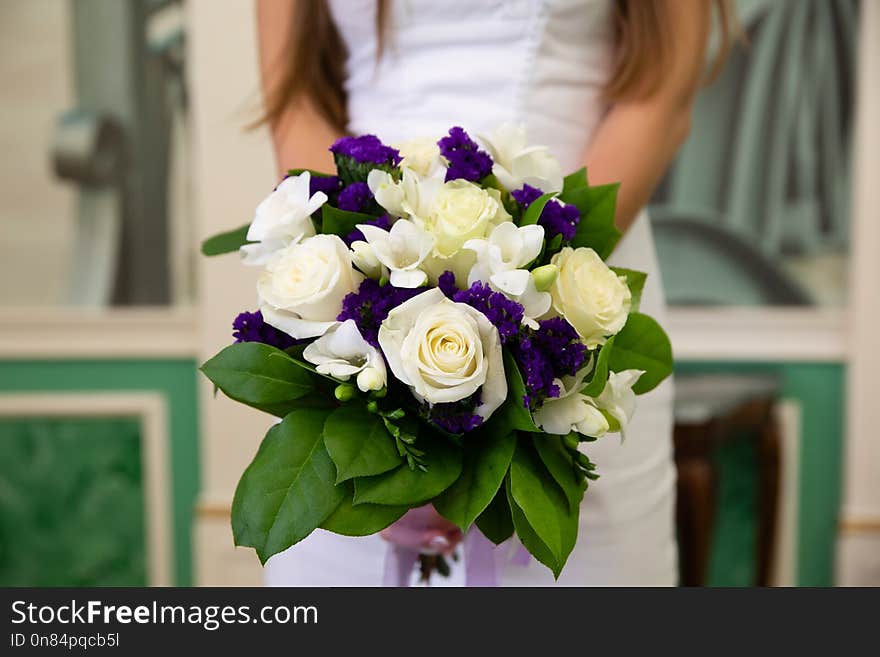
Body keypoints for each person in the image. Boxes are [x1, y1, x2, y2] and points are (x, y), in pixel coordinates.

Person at [255, 0, 730, 586]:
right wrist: (362, 309)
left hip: (575, 292)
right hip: (362, 288)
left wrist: (527, 309)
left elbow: (660, 97)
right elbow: (295, 100)